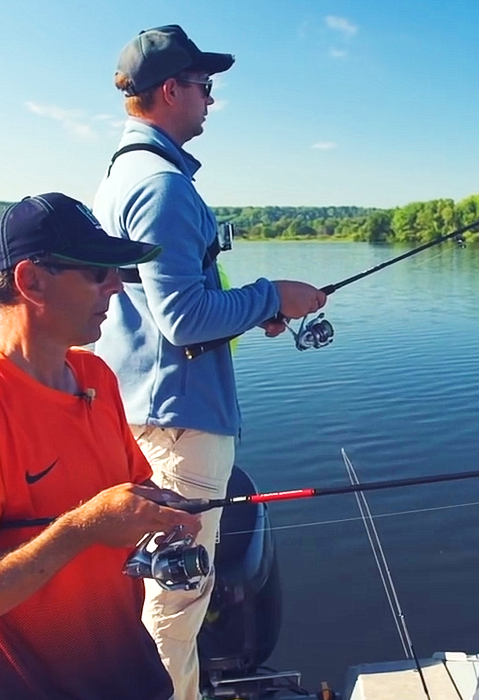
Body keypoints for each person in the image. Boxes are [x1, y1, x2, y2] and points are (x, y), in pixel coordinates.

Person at [92, 24, 327, 700]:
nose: (209, 100)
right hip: (182, 426)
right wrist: (270, 295)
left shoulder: (122, 174)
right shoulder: (161, 186)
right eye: (203, 86)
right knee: (177, 599)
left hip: (150, 408)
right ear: (171, 90)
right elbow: (184, 318)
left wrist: (254, 313)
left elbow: (166, 310)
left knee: (162, 593)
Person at [0, 192, 201, 700]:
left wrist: (155, 513)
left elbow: (127, 492)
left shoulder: (93, 373)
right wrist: (83, 528)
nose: (116, 287)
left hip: (128, 676)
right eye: (97, 273)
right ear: (31, 281)